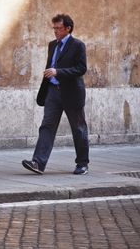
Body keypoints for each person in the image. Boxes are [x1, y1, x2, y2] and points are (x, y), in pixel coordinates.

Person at [22, 14, 89, 175]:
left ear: (68, 28)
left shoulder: (78, 45)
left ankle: (82, 163)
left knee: (78, 129)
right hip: (53, 93)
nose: (56, 31)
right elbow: (50, 66)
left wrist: (58, 72)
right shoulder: (52, 45)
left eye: (59, 28)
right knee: (47, 127)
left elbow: (81, 68)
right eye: (54, 28)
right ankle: (38, 163)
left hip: (72, 93)